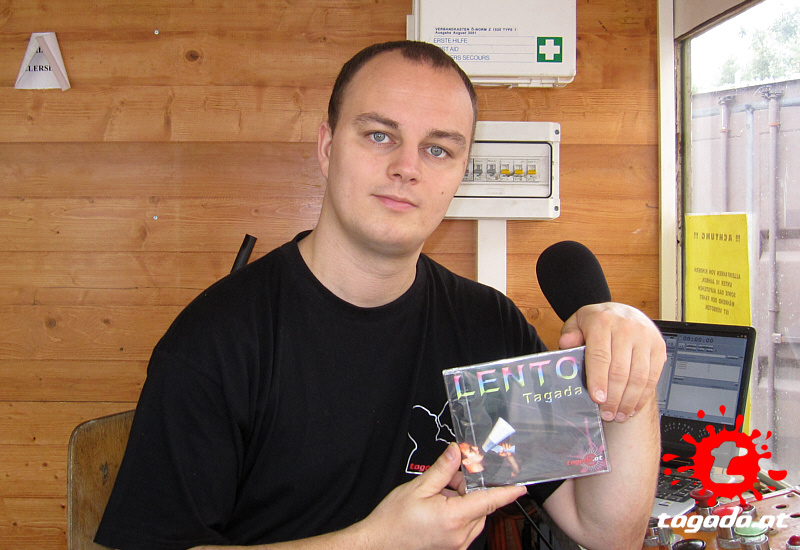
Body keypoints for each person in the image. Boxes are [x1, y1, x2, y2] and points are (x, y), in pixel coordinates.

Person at [95, 40, 665, 550]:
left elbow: (605, 530)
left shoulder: (487, 326)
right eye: (379, 136)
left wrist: (628, 361)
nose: (406, 168)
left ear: (460, 173)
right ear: (327, 147)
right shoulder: (216, 340)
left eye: (438, 149)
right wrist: (374, 542)